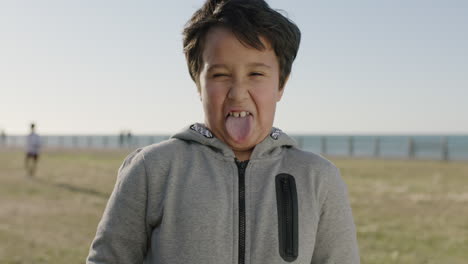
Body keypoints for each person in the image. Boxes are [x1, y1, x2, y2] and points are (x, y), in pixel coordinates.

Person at [87, 0, 360, 263]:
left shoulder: (318, 177)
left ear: (281, 84)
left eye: (256, 74)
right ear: (198, 84)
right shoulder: (152, 169)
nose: (238, 93)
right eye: (219, 75)